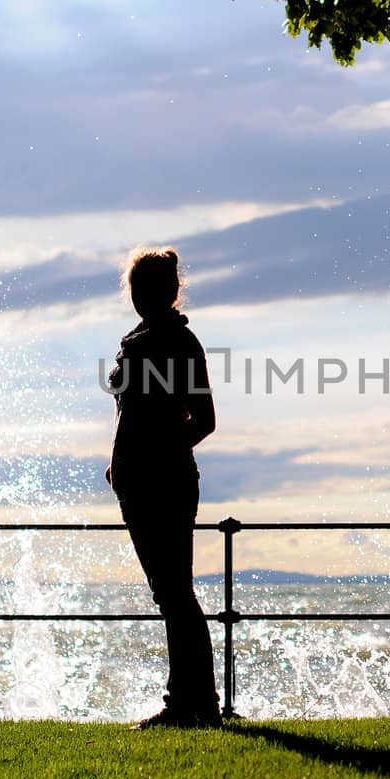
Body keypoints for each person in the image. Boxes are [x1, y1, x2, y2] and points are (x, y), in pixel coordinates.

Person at [104, 247, 222, 728]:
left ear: (166, 292)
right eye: (135, 290)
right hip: (141, 482)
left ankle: (192, 704)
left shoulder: (178, 342)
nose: (138, 298)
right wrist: (124, 465)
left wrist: (156, 455)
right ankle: (197, 703)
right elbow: (132, 416)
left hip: (163, 482)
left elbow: (206, 420)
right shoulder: (139, 342)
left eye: (145, 289)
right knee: (171, 594)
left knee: (175, 594)